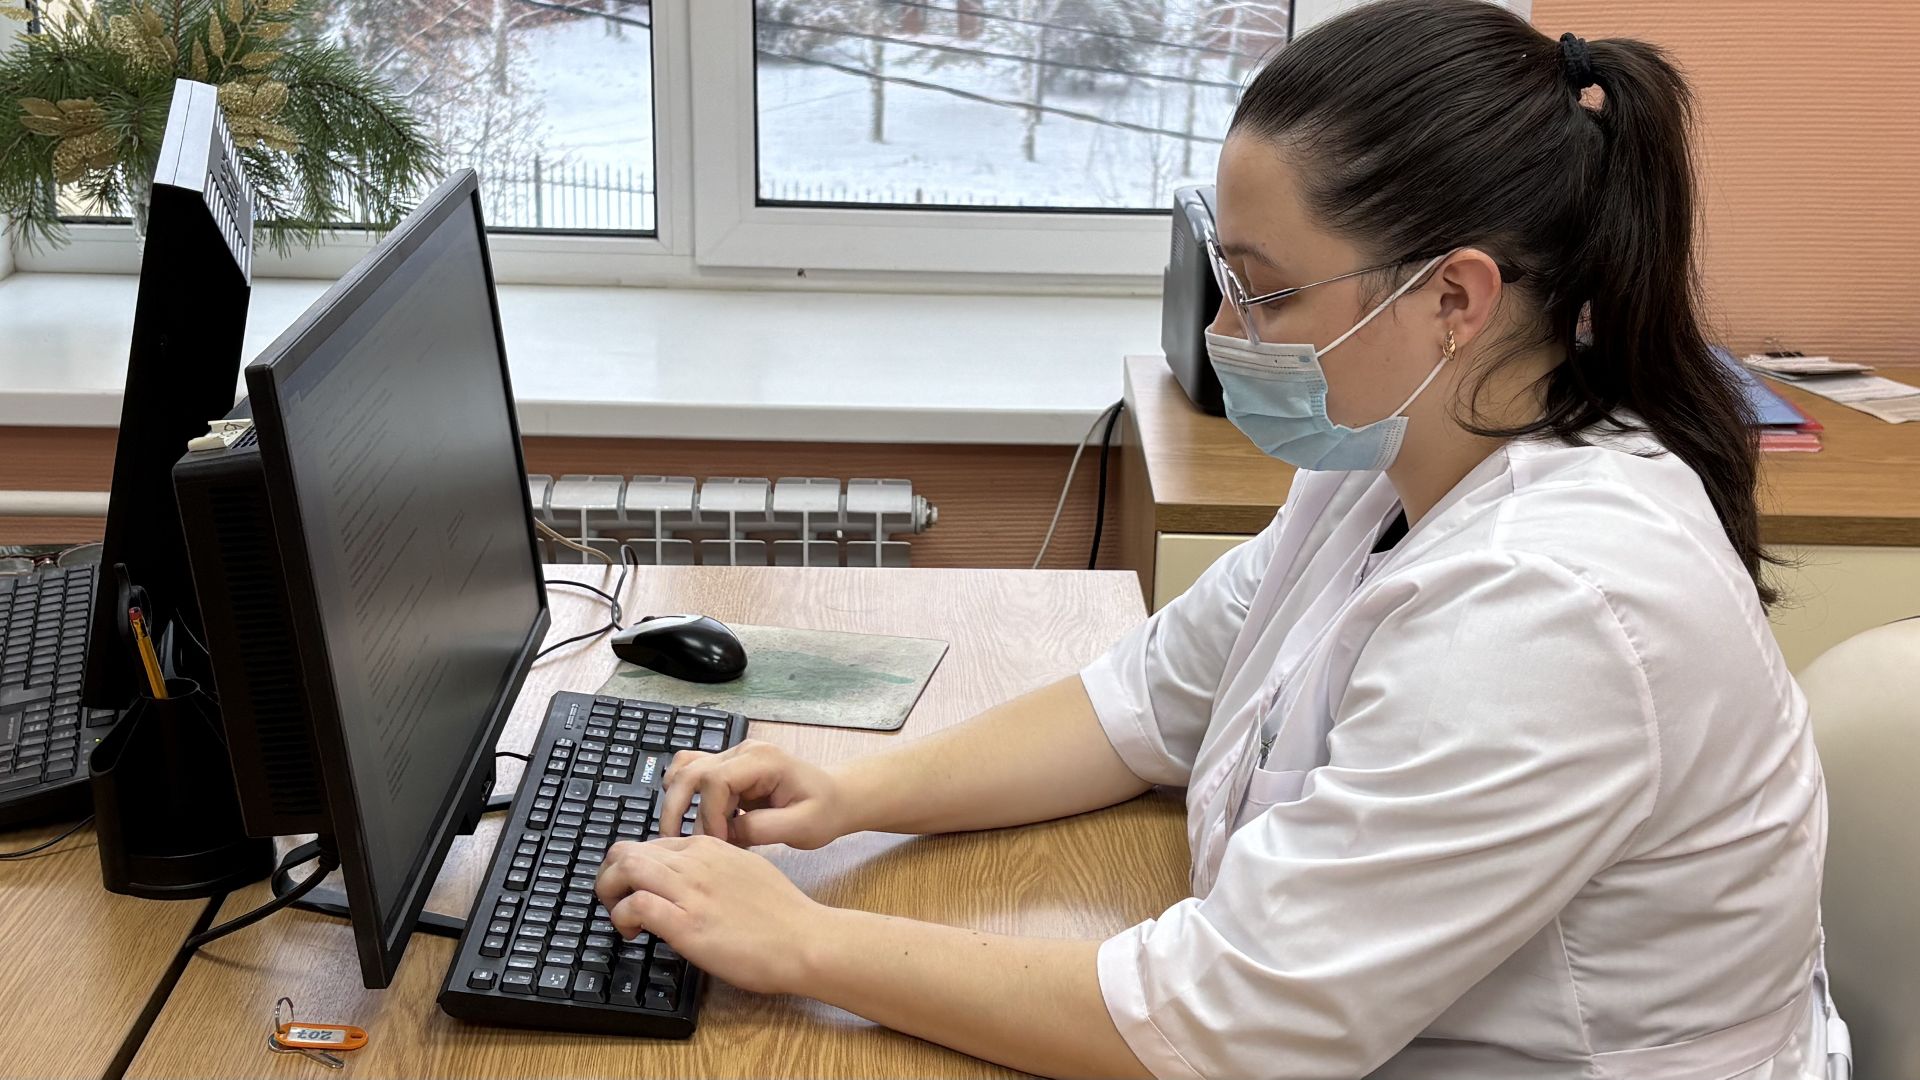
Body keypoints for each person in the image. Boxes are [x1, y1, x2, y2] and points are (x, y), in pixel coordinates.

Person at [595, 1, 1849, 1075]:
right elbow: (1149, 699)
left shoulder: (1556, 601)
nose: (1225, 330)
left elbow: (1231, 1023)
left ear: (1454, 299)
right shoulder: (1396, 459)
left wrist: (807, 943)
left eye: (1265, 288)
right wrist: (855, 796)